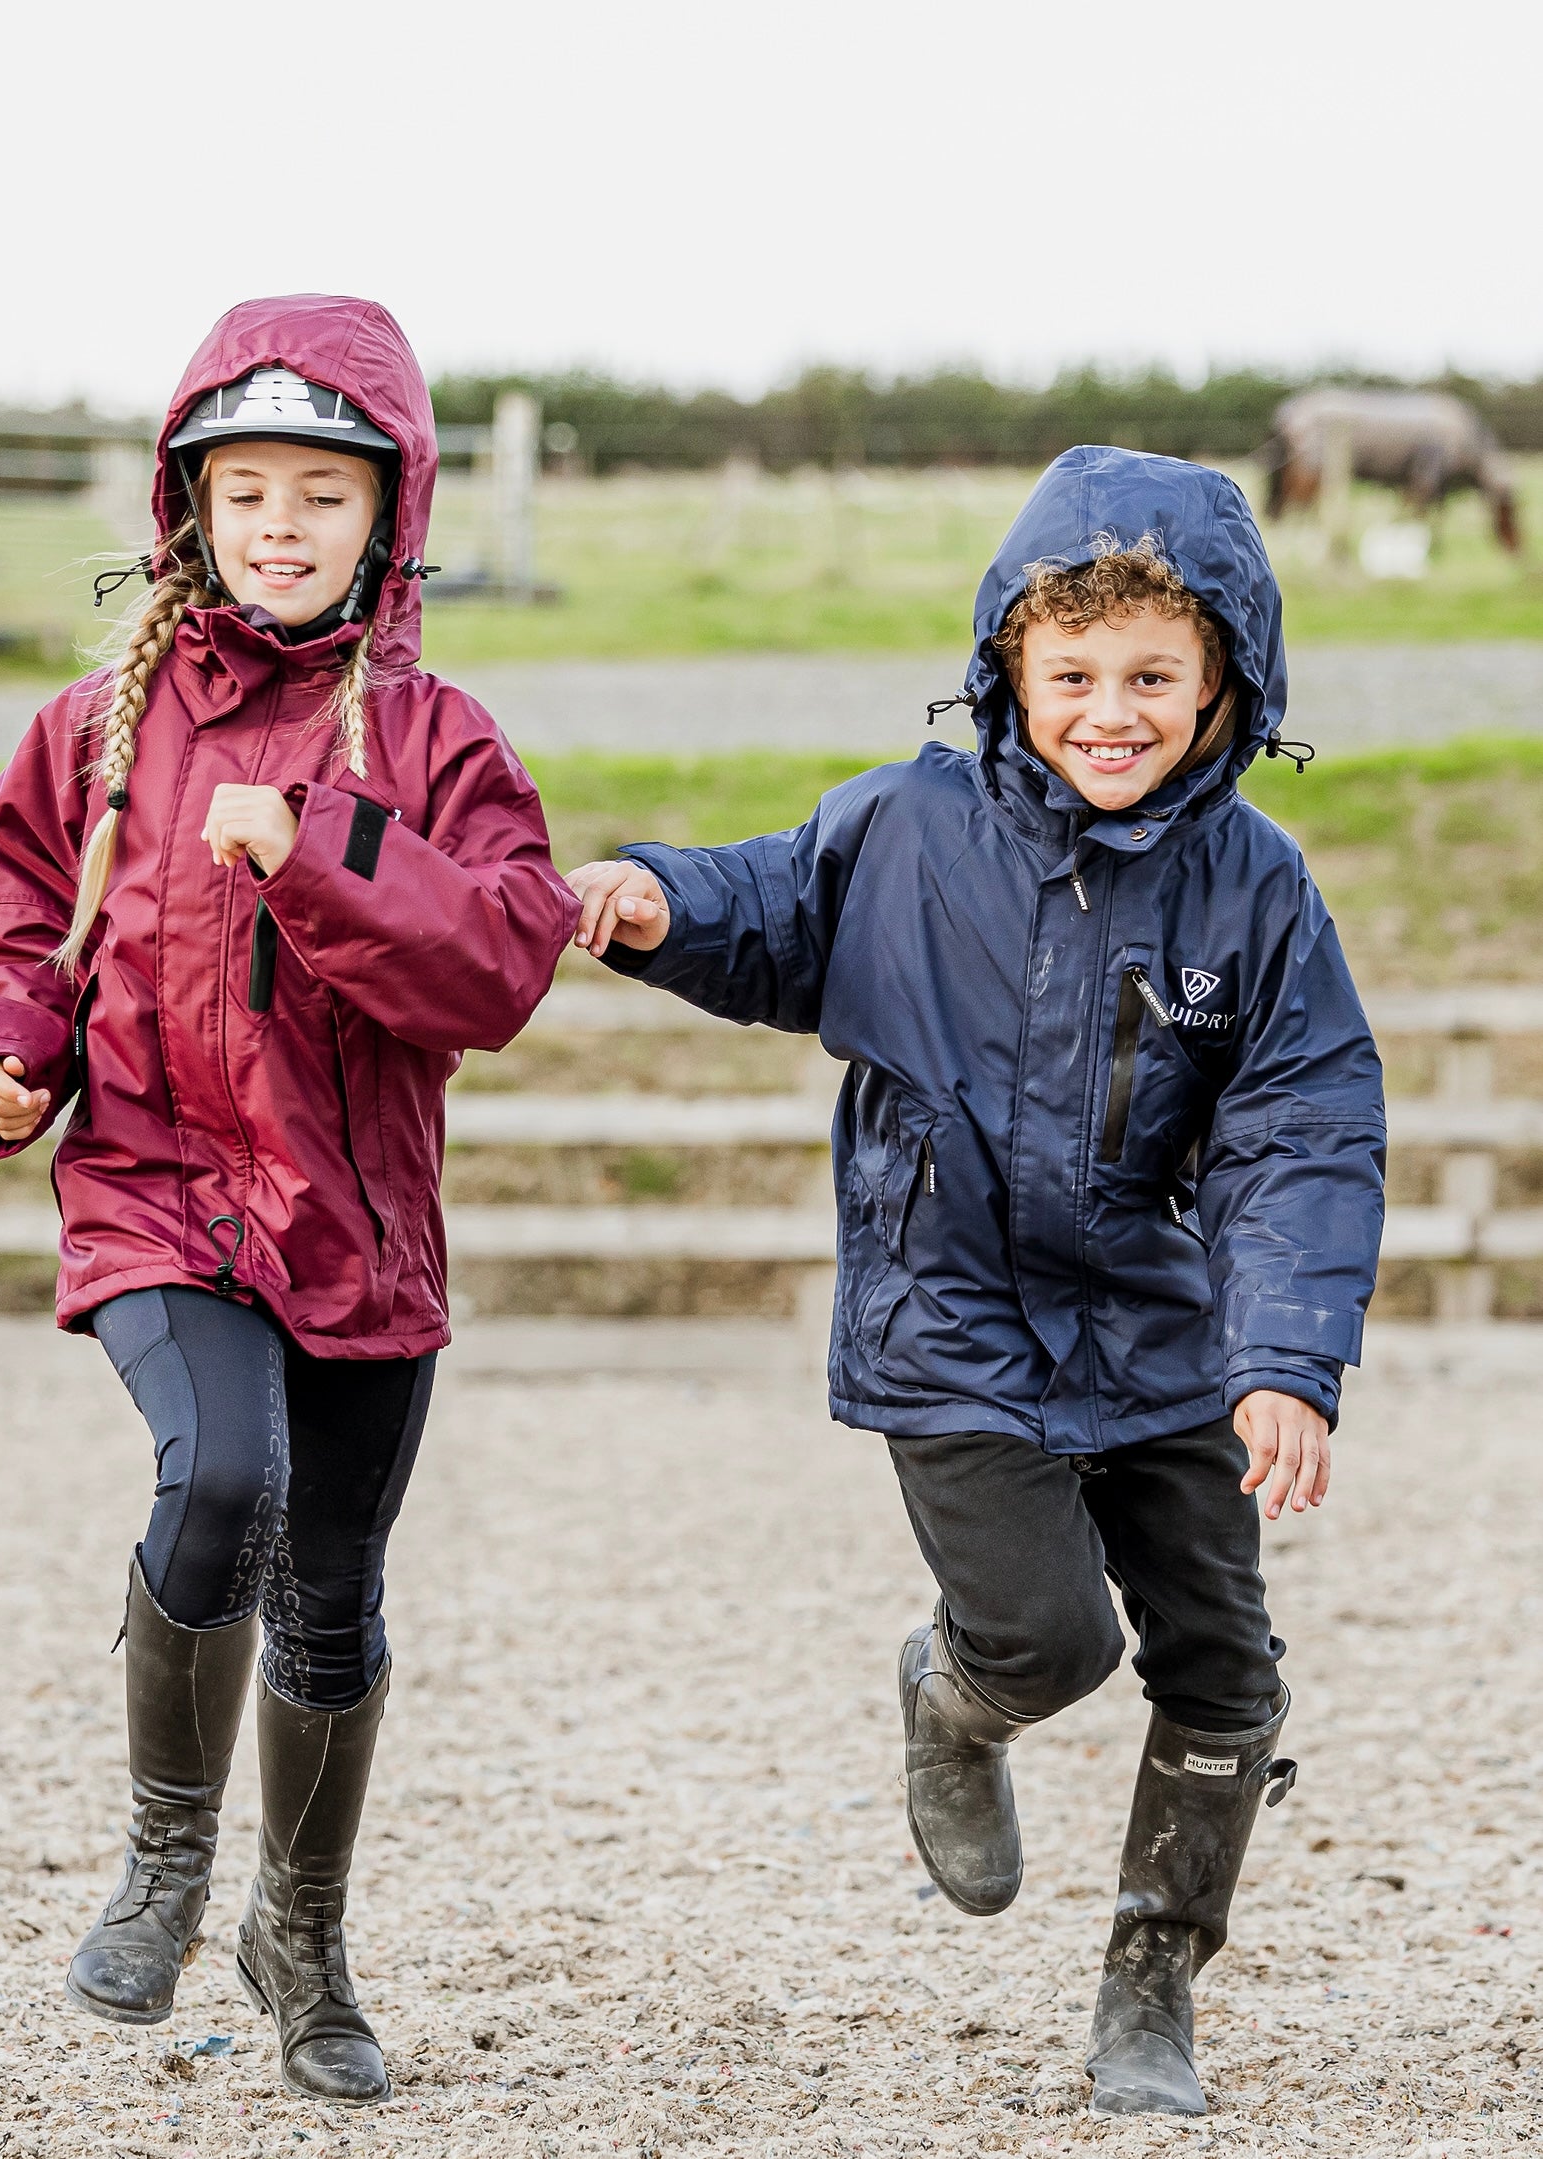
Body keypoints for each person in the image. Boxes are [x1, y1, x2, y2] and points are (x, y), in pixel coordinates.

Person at [563, 447, 1386, 2120]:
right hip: (945, 1314)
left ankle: (1152, 1981)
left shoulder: (1258, 886)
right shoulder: (904, 824)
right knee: (1048, 1643)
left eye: (1152, 675)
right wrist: (656, 899)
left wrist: (1284, 1355)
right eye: (1070, 671)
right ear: (1006, 667)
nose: (1109, 708)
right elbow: (764, 906)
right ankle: (953, 1695)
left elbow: (1300, 1130)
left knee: (1223, 1664)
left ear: (1225, 678)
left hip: (1160, 1327)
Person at [0, 295, 578, 2106]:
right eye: (246, 493)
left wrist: (325, 858)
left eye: (321, 492)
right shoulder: (95, 728)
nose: (281, 526)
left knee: (338, 1600)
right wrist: (10, 1044)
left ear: (391, 516)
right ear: (187, 509)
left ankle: (303, 1939)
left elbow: (495, 971)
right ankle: (163, 1862)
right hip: (156, 1192)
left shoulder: (439, 743)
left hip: (359, 1232)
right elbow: (7, 914)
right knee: (225, 1478)